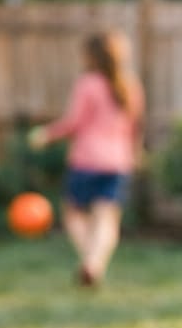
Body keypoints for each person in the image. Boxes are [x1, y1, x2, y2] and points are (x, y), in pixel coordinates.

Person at [28, 31, 145, 287]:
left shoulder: (88, 83)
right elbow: (134, 127)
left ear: (90, 56)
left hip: (87, 160)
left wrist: (46, 135)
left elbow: (73, 123)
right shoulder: (130, 84)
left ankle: (89, 261)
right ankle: (96, 263)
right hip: (118, 161)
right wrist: (135, 154)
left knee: (73, 214)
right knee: (107, 218)